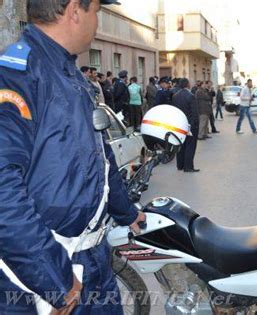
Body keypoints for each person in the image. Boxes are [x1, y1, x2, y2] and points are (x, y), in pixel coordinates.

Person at [0, 0, 146, 314]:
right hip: (40, 276)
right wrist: (55, 280)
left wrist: (126, 212)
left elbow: (100, 159)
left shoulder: (71, 77)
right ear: (74, 11)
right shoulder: (16, 75)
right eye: (97, 11)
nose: (98, 23)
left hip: (92, 260)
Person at [172, 78, 200, 172]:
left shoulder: (175, 96)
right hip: (190, 124)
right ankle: (188, 166)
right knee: (190, 145)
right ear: (187, 84)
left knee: (181, 144)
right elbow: (194, 112)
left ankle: (180, 165)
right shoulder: (191, 96)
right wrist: (196, 124)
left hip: (179, 124)